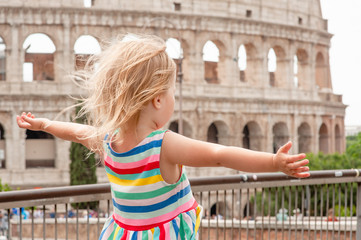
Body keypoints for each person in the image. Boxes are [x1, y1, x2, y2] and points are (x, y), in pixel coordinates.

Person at [16, 34, 310, 240]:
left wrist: (45, 124)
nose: (173, 97)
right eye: (171, 90)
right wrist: (274, 162)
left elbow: (77, 132)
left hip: (123, 233)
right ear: (158, 99)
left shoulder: (108, 139)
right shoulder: (163, 145)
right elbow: (221, 155)